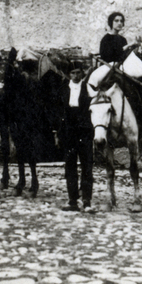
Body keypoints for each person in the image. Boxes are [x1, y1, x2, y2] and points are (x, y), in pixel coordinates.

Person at [98, 12, 142, 135]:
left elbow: (125, 55)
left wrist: (135, 48)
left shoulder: (122, 39)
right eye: (116, 20)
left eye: (121, 21)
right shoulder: (106, 39)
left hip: (123, 67)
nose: (119, 23)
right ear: (111, 23)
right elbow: (107, 57)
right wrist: (129, 45)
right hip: (112, 69)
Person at [58, 65, 94, 212]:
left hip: (84, 131)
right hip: (69, 131)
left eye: (78, 72)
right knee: (70, 166)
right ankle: (72, 200)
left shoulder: (88, 88)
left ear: (82, 73)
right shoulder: (64, 89)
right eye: (72, 73)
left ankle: (87, 201)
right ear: (69, 74)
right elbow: (59, 111)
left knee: (86, 165)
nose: (75, 75)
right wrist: (59, 132)